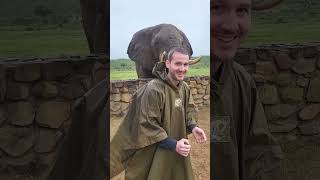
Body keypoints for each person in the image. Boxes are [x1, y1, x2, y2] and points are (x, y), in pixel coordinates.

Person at [210, 0, 283, 179]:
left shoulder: (240, 80)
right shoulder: (165, 89)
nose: (231, 26)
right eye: (215, 8)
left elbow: (259, 155)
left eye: (241, 10)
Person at [110, 47, 207, 180]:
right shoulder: (154, 89)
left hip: (177, 147)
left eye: (185, 64)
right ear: (167, 63)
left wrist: (194, 127)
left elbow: (188, 110)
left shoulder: (184, 88)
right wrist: (174, 144)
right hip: (154, 151)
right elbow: (148, 124)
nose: (182, 68)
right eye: (178, 63)